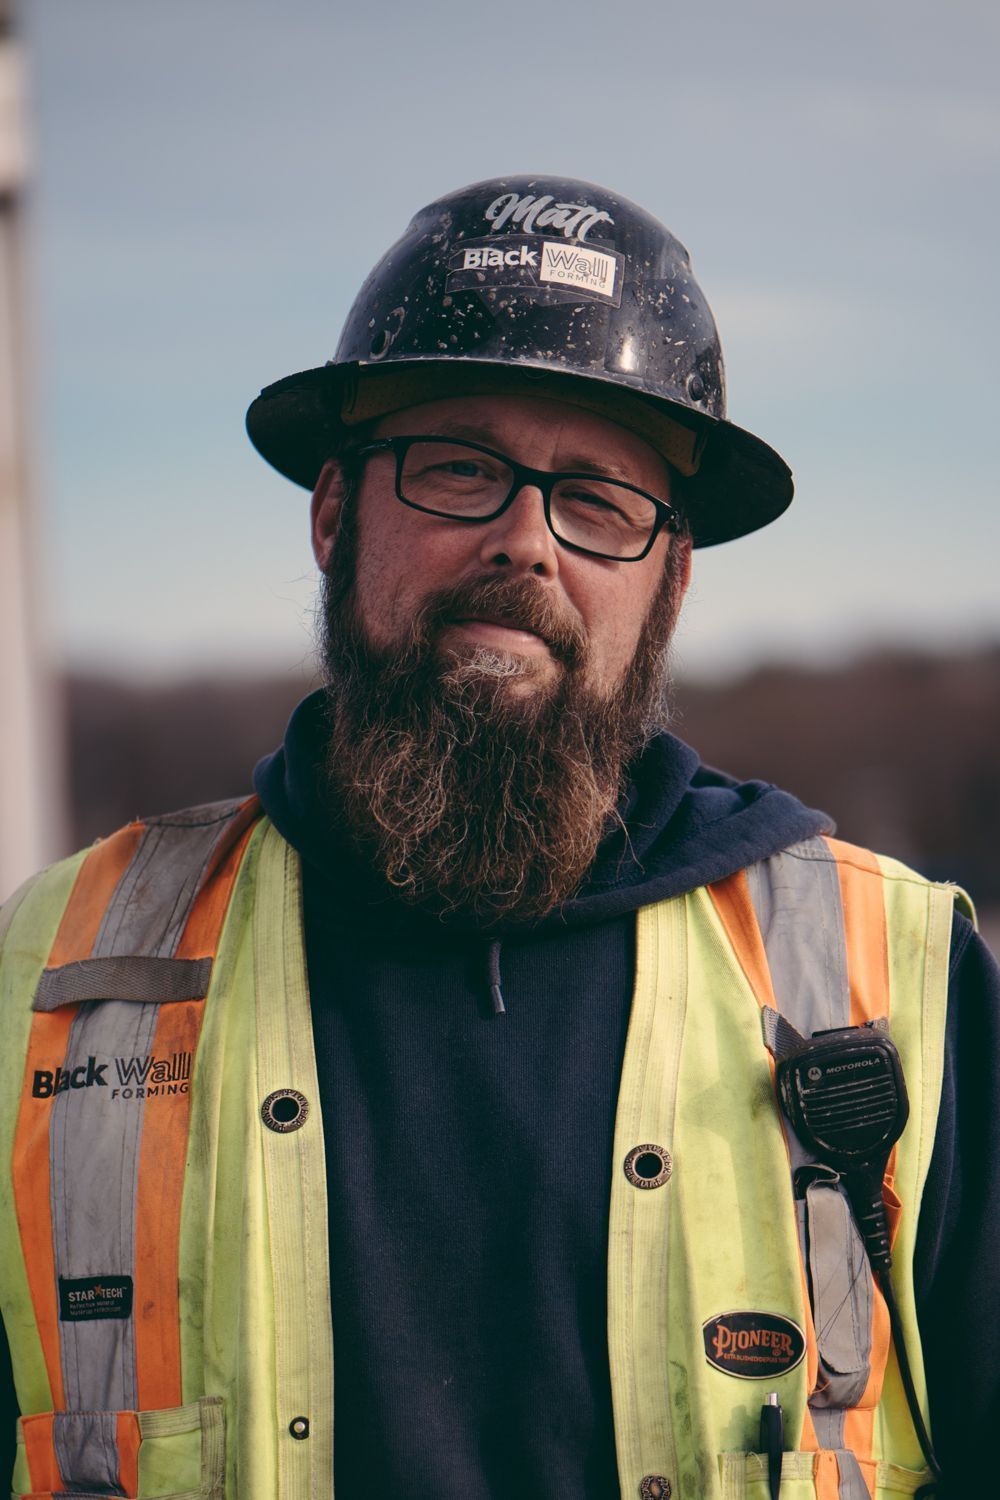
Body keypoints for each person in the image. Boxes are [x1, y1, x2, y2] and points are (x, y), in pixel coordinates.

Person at [0, 174, 997, 1500]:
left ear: (672, 581)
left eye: (597, 500)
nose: (527, 542)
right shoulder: (57, 970)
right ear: (334, 514)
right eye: (461, 467)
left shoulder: (901, 981)